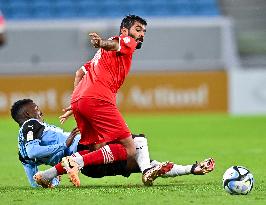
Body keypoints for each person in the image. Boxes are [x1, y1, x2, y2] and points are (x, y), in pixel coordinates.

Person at [58, 14, 173, 186]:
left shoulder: (101, 55)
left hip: (80, 100)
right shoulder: (124, 41)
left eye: (144, 31)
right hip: (98, 99)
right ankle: (75, 163)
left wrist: (76, 100)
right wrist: (102, 42)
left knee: (96, 148)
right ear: (125, 31)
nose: (142, 35)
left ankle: (48, 174)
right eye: (138, 29)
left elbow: (79, 73)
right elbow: (116, 44)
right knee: (130, 148)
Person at [11, 99, 215, 188]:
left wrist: (50, 180)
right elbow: (33, 150)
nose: (41, 112)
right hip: (83, 149)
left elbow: (31, 172)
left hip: (92, 163)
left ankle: (191, 168)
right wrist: (66, 142)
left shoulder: (23, 149)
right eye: (37, 109)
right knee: (136, 142)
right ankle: (73, 163)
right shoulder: (30, 124)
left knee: (139, 159)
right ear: (28, 114)